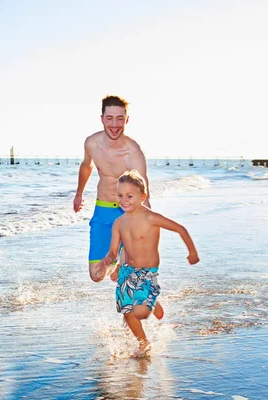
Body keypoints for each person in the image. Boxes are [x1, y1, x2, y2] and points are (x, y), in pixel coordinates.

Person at [95, 170, 199, 357]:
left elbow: (180, 229)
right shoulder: (119, 223)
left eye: (129, 196)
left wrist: (192, 252)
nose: (124, 200)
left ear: (142, 196)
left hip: (147, 273)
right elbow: (114, 251)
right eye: (120, 195)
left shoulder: (151, 218)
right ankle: (144, 344)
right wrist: (107, 263)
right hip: (127, 271)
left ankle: (152, 299)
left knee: (141, 313)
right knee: (127, 312)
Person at [73, 95, 151, 283]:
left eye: (119, 118)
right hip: (103, 210)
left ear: (126, 120)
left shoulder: (133, 152)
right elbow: (86, 166)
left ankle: (123, 257)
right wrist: (79, 193)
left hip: (127, 213)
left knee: (123, 275)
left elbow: (144, 188)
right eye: (110, 118)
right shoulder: (91, 143)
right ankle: (117, 261)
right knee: (97, 276)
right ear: (102, 119)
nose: (114, 124)